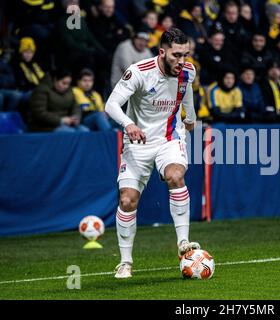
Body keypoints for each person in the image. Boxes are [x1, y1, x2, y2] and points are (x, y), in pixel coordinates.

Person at [104, 28, 200, 279]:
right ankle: (125, 262)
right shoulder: (139, 72)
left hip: (169, 138)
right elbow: (111, 104)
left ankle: (183, 244)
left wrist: (190, 117)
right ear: (162, 52)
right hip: (137, 143)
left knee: (175, 176)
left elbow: (185, 93)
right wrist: (129, 124)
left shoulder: (187, 72)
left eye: (185, 55)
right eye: (176, 55)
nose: (182, 61)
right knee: (127, 201)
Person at [29, 68, 89, 132]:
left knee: (85, 130)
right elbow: (40, 113)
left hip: (66, 123)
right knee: (70, 132)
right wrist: (61, 120)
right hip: (45, 127)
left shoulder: (69, 90)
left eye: (68, 84)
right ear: (55, 80)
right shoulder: (41, 90)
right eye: (64, 83)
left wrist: (75, 116)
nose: (66, 86)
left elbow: (75, 106)